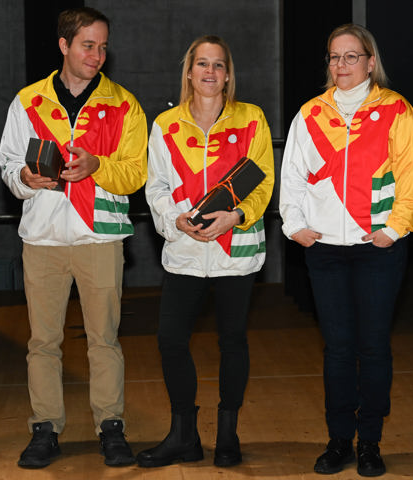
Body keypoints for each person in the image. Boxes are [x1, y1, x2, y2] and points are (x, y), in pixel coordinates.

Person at [0, 6, 147, 469]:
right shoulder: (27, 101)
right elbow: (8, 167)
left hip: (100, 238)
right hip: (42, 239)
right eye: (88, 45)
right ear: (64, 45)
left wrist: (98, 166)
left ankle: (111, 426)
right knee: (43, 342)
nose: (97, 55)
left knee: (104, 339)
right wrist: (26, 178)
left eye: (103, 46)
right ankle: (45, 428)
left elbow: (137, 172)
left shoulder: (125, 104)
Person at [280, 23, 413, 477]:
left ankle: (371, 443)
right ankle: (340, 439)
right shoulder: (310, 113)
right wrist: (295, 225)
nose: (340, 65)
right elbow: (293, 177)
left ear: (369, 60)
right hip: (324, 251)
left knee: (374, 347)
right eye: (333, 57)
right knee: (339, 350)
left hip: (377, 249)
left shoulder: (397, 110)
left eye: (350, 56)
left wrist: (394, 229)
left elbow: (412, 179)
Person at [137, 35, 274, 469]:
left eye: (218, 64)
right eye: (202, 64)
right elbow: (155, 186)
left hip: (236, 249)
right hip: (185, 251)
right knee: (170, 339)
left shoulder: (252, 118)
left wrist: (236, 217)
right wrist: (175, 219)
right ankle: (183, 437)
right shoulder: (165, 124)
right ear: (190, 72)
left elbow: (265, 181)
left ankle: (228, 435)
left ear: (228, 74)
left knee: (233, 340)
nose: (210, 72)